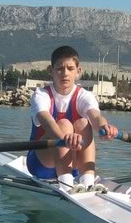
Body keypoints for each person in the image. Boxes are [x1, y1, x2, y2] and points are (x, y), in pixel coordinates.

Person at [27, 45, 119, 192]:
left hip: (74, 164)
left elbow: (96, 117)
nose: (65, 73)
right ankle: (67, 186)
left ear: (78, 71)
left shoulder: (84, 96)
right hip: (41, 165)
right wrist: (65, 139)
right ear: (50, 70)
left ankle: (88, 182)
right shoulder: (41, 95)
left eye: (70, 68)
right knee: (64, 124)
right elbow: (47, 121)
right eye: (59, 68)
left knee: (83, 123)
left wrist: (104, 127)